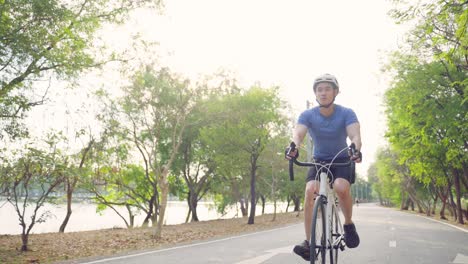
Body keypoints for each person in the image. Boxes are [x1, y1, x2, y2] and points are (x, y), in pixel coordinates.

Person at [285, 73, 362, 261]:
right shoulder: (308, 115)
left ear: (335, 92)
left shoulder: (346, 113)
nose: (323, 93)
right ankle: (308, 243)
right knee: (310, 190)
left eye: (327, 89)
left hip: (341, 159)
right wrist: (293, 147)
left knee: (340, 187)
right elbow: (298, 135)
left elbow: (355, 136)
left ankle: (348, 224)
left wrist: (355, 150)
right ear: (315, 94)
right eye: (319, 90)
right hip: (319, 161)